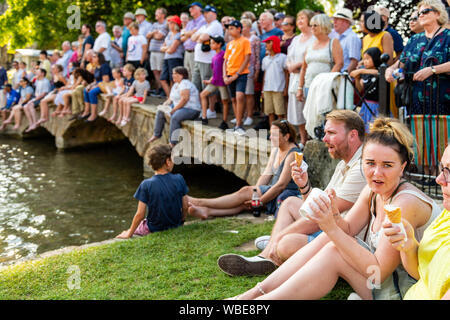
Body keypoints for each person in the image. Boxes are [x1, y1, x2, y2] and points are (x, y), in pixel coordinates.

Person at [231, 118, 441, 300]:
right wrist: (331, 213)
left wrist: (330, 226)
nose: (377, 172)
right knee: (329, 239)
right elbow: (348, 227)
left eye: (387, 165)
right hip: (384, 279)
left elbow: (379, 271)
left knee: (332, 246)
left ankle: (261, 299)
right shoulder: (373, 190)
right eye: (370, 163)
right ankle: (256, 293)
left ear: (402, 167)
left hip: (407, 289)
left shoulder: (404, 203)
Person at [218, 110, 367, 275]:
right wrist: (304, 186)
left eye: (331, 133)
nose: (324, 139)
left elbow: (322, 216)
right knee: (289, 202)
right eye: (325, 133)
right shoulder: (344, 164)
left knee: (286, 244)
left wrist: (281, 236)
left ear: (352, 135)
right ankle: (271, 251)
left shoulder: (360, 169)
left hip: (345, 241)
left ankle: (269, 254)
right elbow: (315, 207)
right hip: (331, 229)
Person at [188, 120, 302, 220]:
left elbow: (281, 185)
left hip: (286, 195)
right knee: (245, 200)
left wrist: (260, 200)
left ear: (286, 136)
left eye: (274, 135)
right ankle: (207, 211)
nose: (270, 137)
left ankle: (200, 202)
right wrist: (255, 193)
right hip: (274, 191)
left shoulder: (293, 153)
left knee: (245, 192)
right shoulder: (276, 149)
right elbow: (266, 174)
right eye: (270, 134)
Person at [383, 144, 450, 300]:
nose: (439, 180)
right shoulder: (446, 215)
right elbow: (423, 274)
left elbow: (377, 272)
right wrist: (409, 246)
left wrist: (331, 227)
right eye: (442, 168)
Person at [116, 144, 204, 239]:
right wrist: (181, 221)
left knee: (136, 227)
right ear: (167, 161)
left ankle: (127, 232)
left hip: (154, 228)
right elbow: (185, 206)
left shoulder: (146, 184)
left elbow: (140, 214)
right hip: (175, 225)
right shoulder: (179, 179)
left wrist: (129, 233)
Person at [385, 0, 449, 115]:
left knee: (441, 133)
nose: (421, 15)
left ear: (438, 14)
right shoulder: (414, 39)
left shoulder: (448, 37)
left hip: (443, 102)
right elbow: (402, 63)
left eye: (425, 11)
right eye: (419, 13)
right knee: (416, 132)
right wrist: (390, 70)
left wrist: (432, 70)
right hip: (415, 102)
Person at [147, 66, 201, 146]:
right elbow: (170, 99)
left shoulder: (185, 83)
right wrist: (164, 105)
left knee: (175, 117)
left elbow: (185, 99)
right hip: (179, 107)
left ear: (181, 75)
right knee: (161, 111)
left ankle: (172, 142)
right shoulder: (176, 85)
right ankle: (156, 134)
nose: (172, 75)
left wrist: (174, 109)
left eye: (175, 73)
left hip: (191, 109)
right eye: (172, 73)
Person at [297, 14, 344, 103]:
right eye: (311, 25)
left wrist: (326, 82)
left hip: (325, 87)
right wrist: (300, 88)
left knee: (325, 116)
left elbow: (339, 63)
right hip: (309, 86)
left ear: (324, 25)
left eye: (315, 25)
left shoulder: (333, 42)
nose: (312, 28)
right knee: (310, 116)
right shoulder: (310, 45)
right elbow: (303, 68)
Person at [286, 9, 315, 148]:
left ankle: (311, 138)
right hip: (294, 76)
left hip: (307, 76)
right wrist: (290, 66)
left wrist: (298, 65)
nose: (300, 21)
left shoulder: (314, 38)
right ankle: (302, 138)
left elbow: (311, 58)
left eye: (303, 18)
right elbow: (288, 57)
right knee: (296, 109)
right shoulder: (296, 39)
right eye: (298, 18)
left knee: (307, 108)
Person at [191, 5, 223, 112]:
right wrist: (200, 36)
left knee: (208, 86)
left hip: (208, 60)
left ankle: (211, 109)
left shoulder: (216, 25)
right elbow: (193, 37)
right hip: (198, 59)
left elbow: (202, 38)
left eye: (207, 12)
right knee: (196, 84)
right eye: (204, 13)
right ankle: (201, 108)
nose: (205, 15)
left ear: (213, 14)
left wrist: (200, 37)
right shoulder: (205, 26)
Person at [223, 20, 251, 135]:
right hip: (229, 74)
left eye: (231, 28)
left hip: (241, 74)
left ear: (239, 29)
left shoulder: (245, 41)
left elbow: (247, 58)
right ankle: (237, 124)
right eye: (228, 28)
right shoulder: (229, 44)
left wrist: (237, 74)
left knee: (240, 96)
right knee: (233, 99)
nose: (229, 31)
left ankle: (240, 125)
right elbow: (225, 61)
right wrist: (224, 75)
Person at [198, 35, 229, 128]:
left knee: (224, 101)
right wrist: (209, 80)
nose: (211, 45)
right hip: (215, 82)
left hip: (222, 82)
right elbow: (214, 71)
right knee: (203, 94)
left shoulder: (223, 55)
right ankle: (204, 117)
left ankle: (224, 121)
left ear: (219, 44)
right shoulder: (214, 56)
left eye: (213, 43)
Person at [350, 47, 382, 132]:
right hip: (366, 104)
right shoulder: (364, 73)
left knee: (377, 129)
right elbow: (360, 89)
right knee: (365, 130)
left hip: (378, 105)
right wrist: (357, 78)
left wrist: (361, 71)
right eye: (364, 59)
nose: (365, 61)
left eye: (368, 58)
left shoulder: (380, 69)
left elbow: (379, 73)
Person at [261, 36, 288, 126]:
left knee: (280, 112)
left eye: (268, 42)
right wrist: (262, 89)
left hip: (278, 88)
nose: (266, 45)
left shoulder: (283, 57)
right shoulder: (265, 59)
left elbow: (286, 73)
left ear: (275, 43)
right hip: (267, 88)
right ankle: (273, 130)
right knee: (270, 112)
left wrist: (286, 88)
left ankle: (282, 130)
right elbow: (265, 74)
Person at [80, 52, 112, 122]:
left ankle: (94, 114)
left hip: (106, 86)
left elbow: (105, 80)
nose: (92, 58)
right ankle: (87, 111)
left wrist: (94, 87)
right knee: (86, 90)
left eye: (94, 57)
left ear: (99, 58)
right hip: (99, 84)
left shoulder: (104, 66)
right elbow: (96, 80)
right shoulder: (96, 67)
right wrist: (90, 85)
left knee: (92, 92)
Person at [240, 18, 261, 127]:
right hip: (239, 68)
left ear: (248, 27)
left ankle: (249, 116)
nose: (241, 29)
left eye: (243, 26)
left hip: (250, 68)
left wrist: (257, 70)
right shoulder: (239, 39)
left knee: (249, 93)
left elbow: (257, 56)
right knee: (240, 93)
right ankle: (241, 115)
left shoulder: (255, 39)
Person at [329, 8, 361, 74]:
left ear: (346, 22)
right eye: (334, 19)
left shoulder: (352, 38)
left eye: (337, 19)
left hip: (344, 79)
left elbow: (354, 62)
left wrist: (344, 77)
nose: (334, 22)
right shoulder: (338, 37)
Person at [160, 15, 185, 98]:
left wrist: (166, 48)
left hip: (175, 59)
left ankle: (174, 98)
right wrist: (168, 48)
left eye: (171, 23)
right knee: (163, 79)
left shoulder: (178, 34)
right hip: (167, 58)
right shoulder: (169, 34)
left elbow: (172, 50)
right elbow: (162, 48)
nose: (169, 25)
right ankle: (170, 97)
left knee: (173, 79)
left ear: (176, 24)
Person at [181, 2, 207, 80]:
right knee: (187, 74)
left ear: (199, 9)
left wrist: (187, 33)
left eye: (193, 8)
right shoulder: (190, 22)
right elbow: (182, 37)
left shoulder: (203, 20)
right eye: (190, 8)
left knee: (195, 75)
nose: (190, 10)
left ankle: (197, 92)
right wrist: (190, 33)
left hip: (195, 52)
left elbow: (194, 34)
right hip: (187, 51)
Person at [148, 8, 169, 97]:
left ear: (163, 15)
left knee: (161, 71)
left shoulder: (166, 24)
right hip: (152, 51)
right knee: (155, 71)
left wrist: (153, 34)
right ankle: (158, 89)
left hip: (160, 51)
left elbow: (159, 37)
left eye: (158, 13)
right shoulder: (154, 24)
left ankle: (163, 90)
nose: (155, 14)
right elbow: (147, 35)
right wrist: (154, 32)